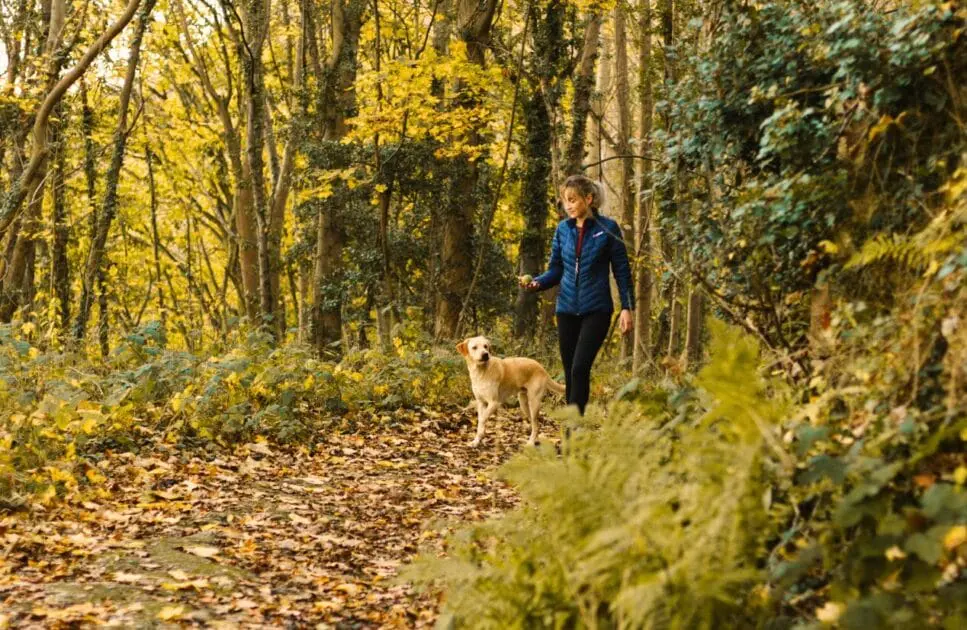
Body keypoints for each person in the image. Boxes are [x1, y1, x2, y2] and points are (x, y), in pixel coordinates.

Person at [520, 174, 634, 415]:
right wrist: (538, 283)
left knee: (580, 368)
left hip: (597, 309)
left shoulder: (608, 229)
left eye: (572, 200)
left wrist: (627, 307)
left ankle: (574, 430)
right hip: (567, 310)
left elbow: (622, 271)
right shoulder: (563, 230)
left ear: (589, 199)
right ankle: (573, 429)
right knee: (571, 369)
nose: (568, 205)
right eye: (565, 201)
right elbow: (556, 269)